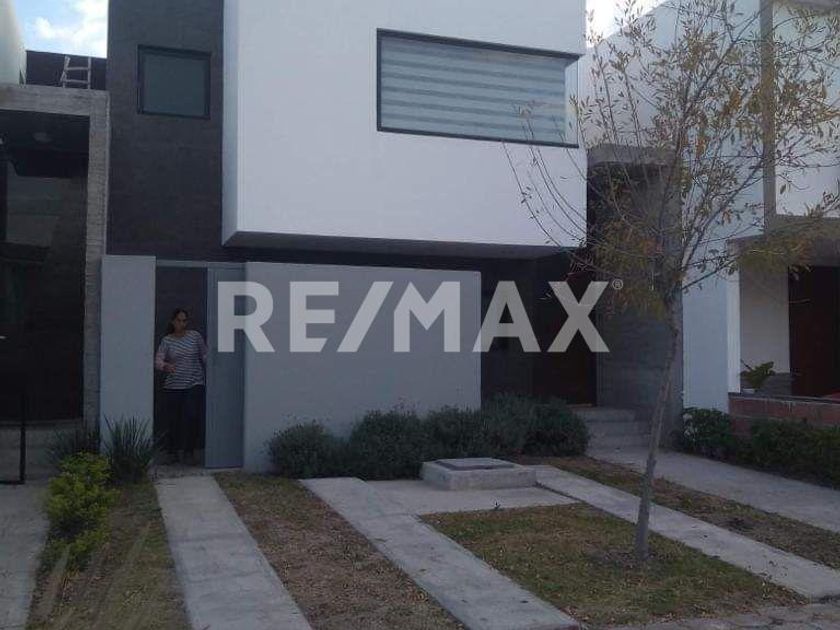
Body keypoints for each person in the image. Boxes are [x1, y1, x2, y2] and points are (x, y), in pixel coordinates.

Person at [155, 308, 207, 464]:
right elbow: (158, 361)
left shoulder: (195, 336)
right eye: (179, 320)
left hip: (194, 382)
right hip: (174, 385)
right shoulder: (167, 341)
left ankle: (189, 451)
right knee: (174, 420)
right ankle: (172, 451)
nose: (182, 324)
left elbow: (204, 354)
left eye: (184, 321)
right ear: (173, 321)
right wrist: (165, 366)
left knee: (192, 416)